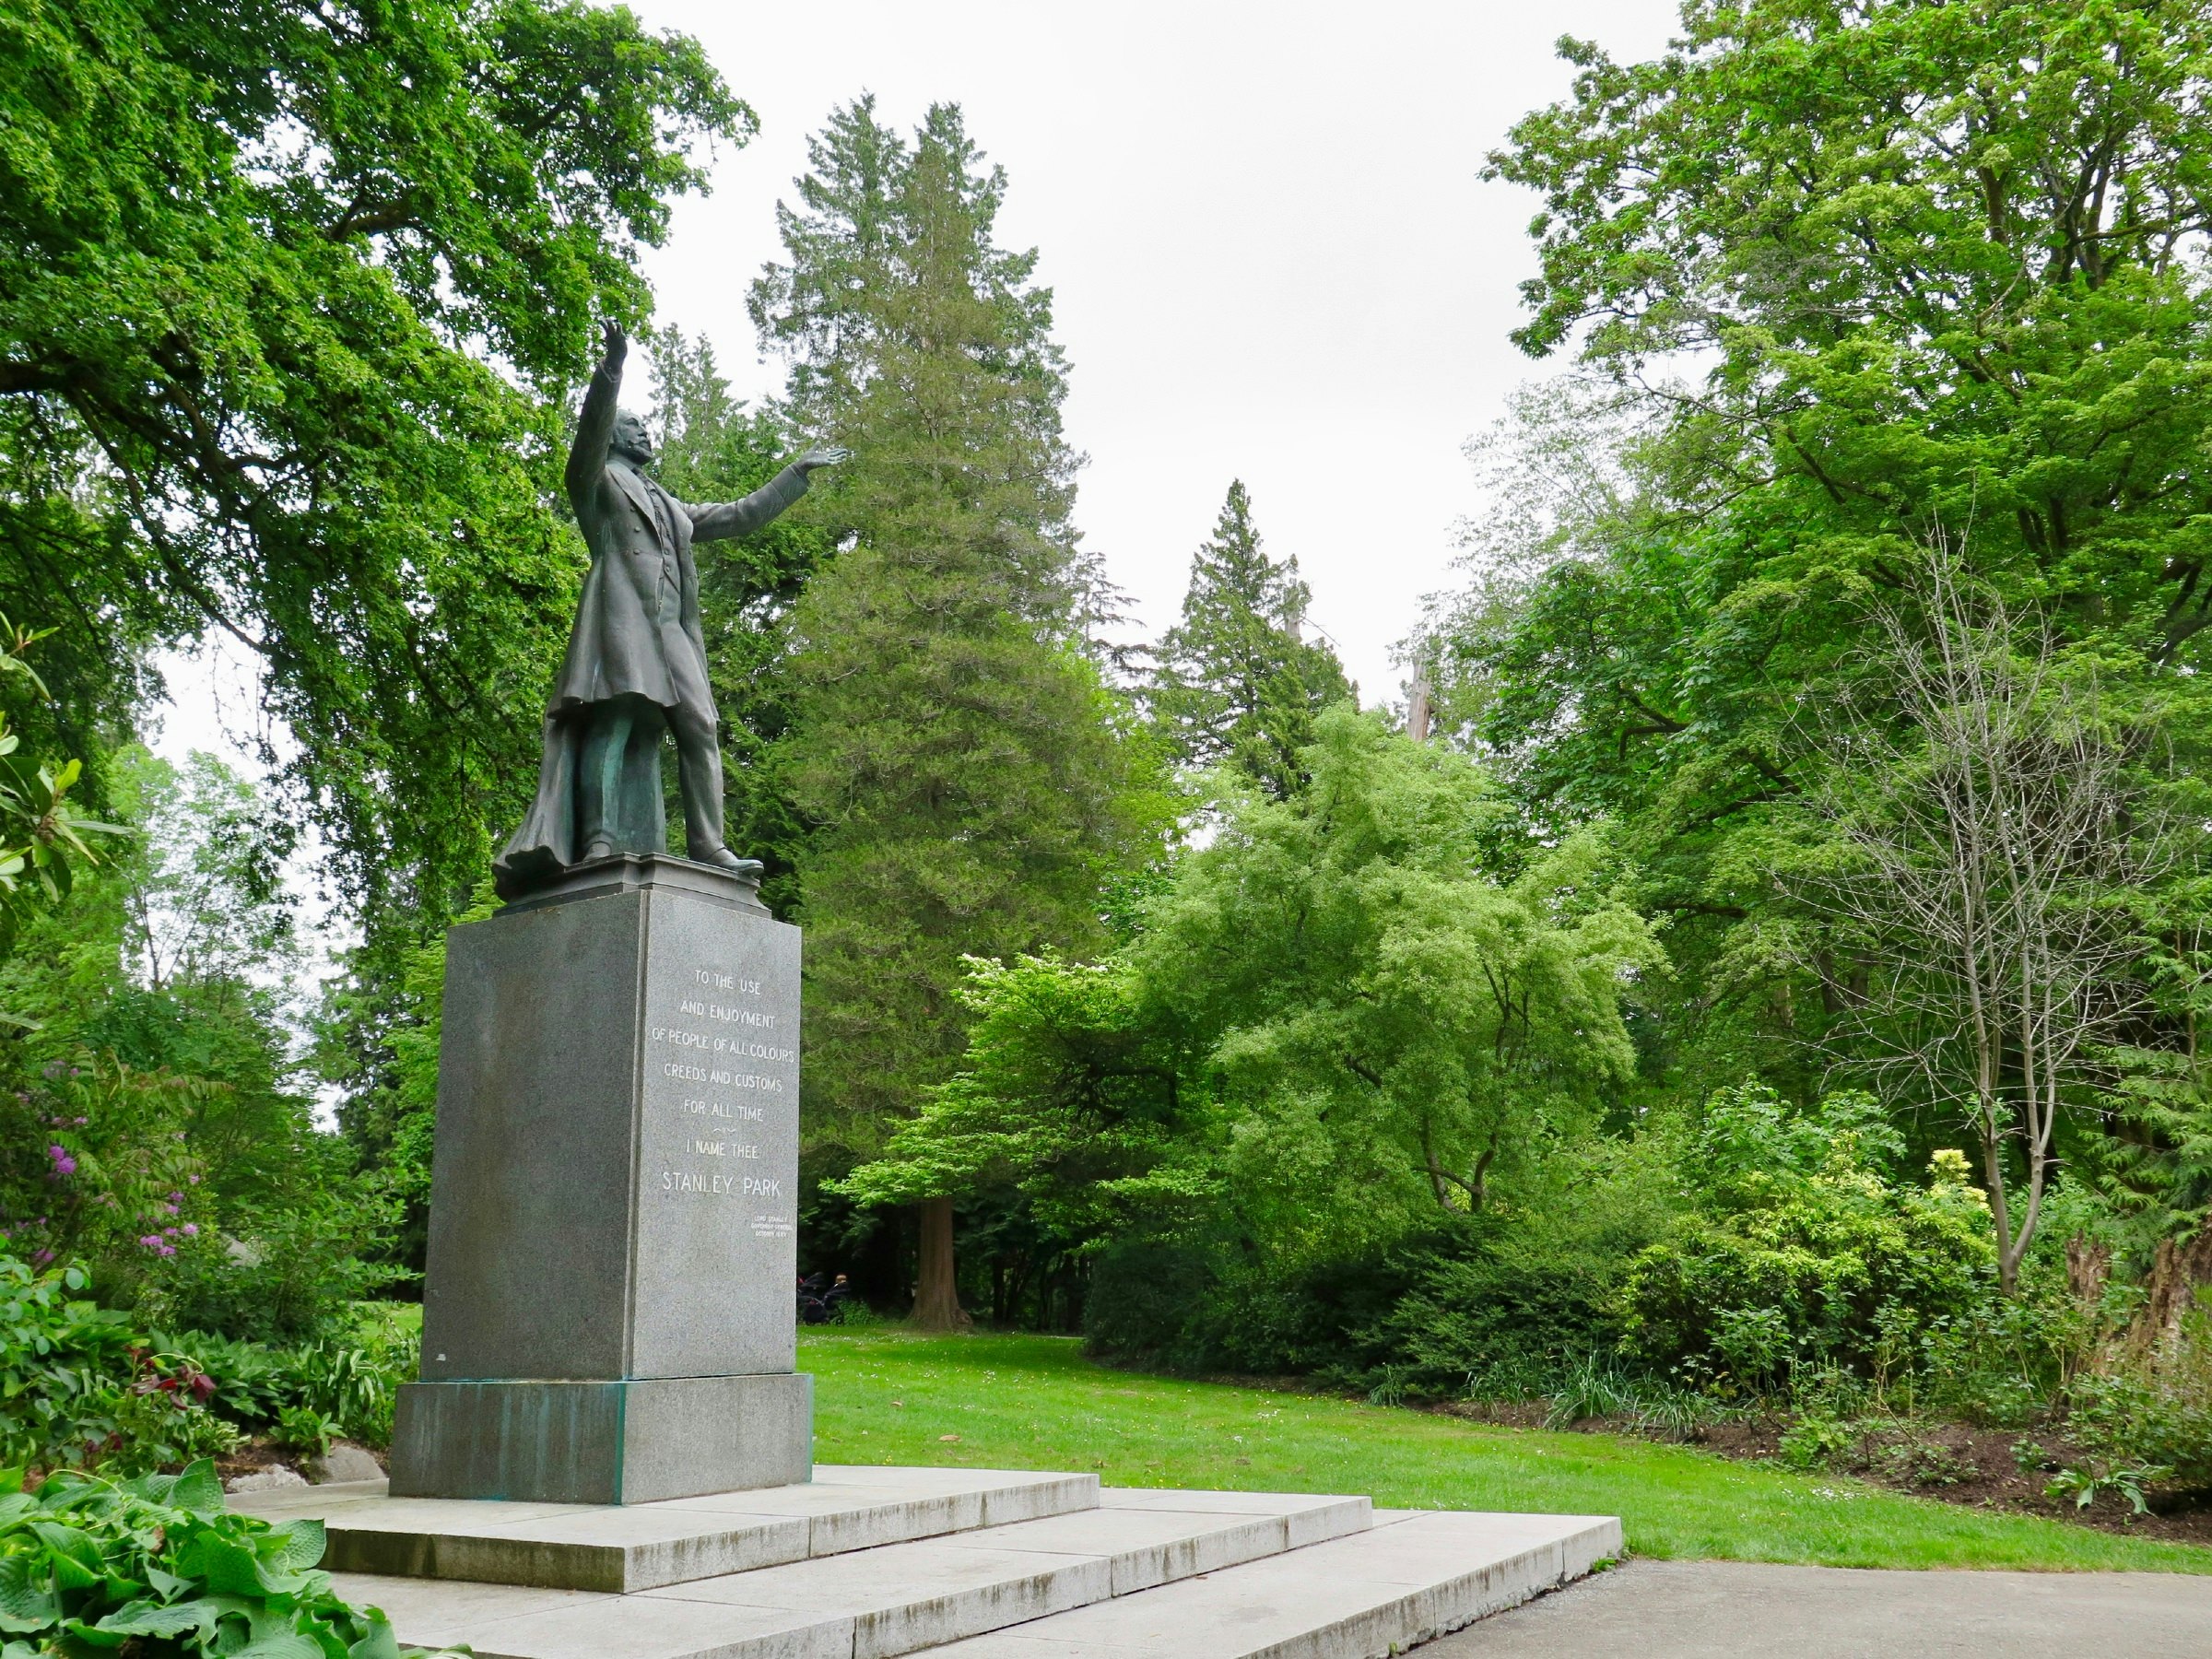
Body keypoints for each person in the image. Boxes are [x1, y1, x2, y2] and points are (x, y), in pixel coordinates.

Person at [494, 320, 848, 898]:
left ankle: (709, 845)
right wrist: (611, 369)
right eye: (637, 428)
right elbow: (588, 431)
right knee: (616, 720)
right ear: (614, 434)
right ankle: (601, 842)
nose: (647, 436)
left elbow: (738, 515)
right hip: (621, 621)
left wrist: (795, 475)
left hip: (671, 632)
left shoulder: (671, 505)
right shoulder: (596, 481)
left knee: (701, 726)